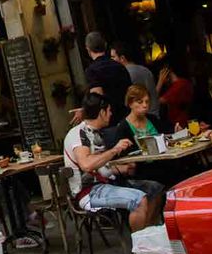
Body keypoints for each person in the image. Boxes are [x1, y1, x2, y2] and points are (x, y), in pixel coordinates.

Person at [63, 93, 164, 232]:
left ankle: (148, 233)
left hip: (105, 183)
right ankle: (140, 246)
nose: (111, 114)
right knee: (139, 200)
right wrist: (115, 149)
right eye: (109, 111)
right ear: (102, 112)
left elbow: (101, 168)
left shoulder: (96, 132)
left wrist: (121, 169)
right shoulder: (79, 134)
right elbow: (87, 165)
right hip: (89, 191)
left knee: (155, 188)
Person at [84, 31, 132, 123]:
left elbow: (97, 97)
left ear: (88, 49)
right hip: (127, 116)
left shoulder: (92, 70)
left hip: (109, 121)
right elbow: (130, 91)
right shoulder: (119, 66)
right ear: (105, 46)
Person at [112, 42, 159, 115]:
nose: (111, 60)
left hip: (142, 119)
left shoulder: (125, 75)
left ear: (122, 58)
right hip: (155, 114)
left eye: (113, 57)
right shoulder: (146, 70)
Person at [157, 61, 195, 129]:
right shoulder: (185, 82)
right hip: (184, 121)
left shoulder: (178, 86)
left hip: (180, 123)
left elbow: (156, 101)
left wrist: (160, 81)